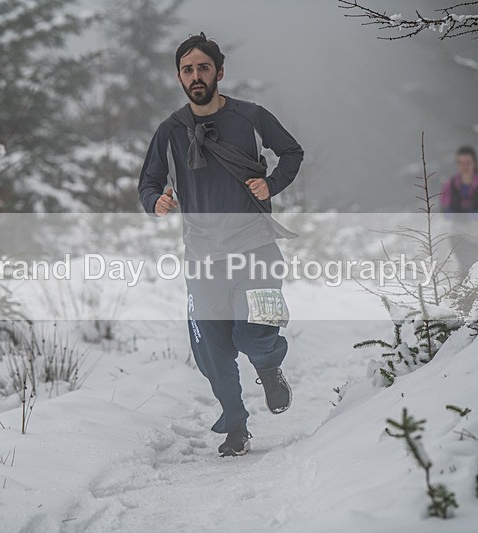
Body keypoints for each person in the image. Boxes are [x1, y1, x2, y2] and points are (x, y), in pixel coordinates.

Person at [137, 32, 304, 457]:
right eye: (188, 69)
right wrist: (155, 200)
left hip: (257, 248)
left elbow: (291, 152)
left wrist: (271, 184)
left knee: (255, 335)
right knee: (209, 348)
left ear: (219, 72)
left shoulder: (250, 116)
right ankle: (235, 425)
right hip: (202, 256)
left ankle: (269, 366)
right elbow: (149, 181)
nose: (196, 75)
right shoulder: (170, 130)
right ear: (179, 76)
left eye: (203, 68)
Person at [439, 145, 478, 278]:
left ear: (475, 163)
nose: (464, 166)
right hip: (458, 233)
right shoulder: (450, 184)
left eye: (468, 163)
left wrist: (477, 215)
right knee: (465, 266)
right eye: (461, 163)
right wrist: (456, 215)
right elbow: (444, 209)